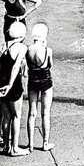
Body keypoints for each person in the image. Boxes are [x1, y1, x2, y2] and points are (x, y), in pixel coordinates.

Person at [0, 22, 29, 155]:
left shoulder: (3, 46)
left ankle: (6, 146)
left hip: (0, 82)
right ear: (22, 35)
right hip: (13, 85)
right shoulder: (22, 47)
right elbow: (16, 66)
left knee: (6, 116)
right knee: (16, 116)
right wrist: (11, 85)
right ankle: (15, 148)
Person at [24, 23, 53, 152]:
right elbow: (49, 65)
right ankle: (45, 143)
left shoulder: (27, 49)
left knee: (32, 113)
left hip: (32, 80)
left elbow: (28, 66)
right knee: (45, 113)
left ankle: (30, 144)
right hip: (46, 80)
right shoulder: (48, 50)